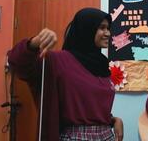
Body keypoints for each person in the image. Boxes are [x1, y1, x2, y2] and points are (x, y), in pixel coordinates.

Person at [8, 8, 124, 141]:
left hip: (106, 136)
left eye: (108, 28)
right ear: (86, 29)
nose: (108, 33)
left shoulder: (102, 65)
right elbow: (16, 63)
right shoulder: (57, 60)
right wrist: (34, 42)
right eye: (102, 28)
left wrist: (113, 120)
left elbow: (90, 106)